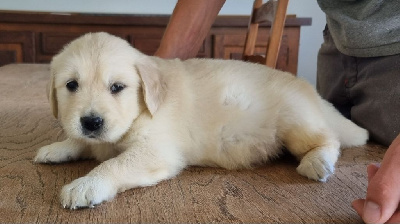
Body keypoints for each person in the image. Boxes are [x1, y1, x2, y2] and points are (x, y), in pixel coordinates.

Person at [155, 0, 400, 223]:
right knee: (351, 145)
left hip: (393, 54)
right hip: (337, 45)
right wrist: (158, 73)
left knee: (369, 165)